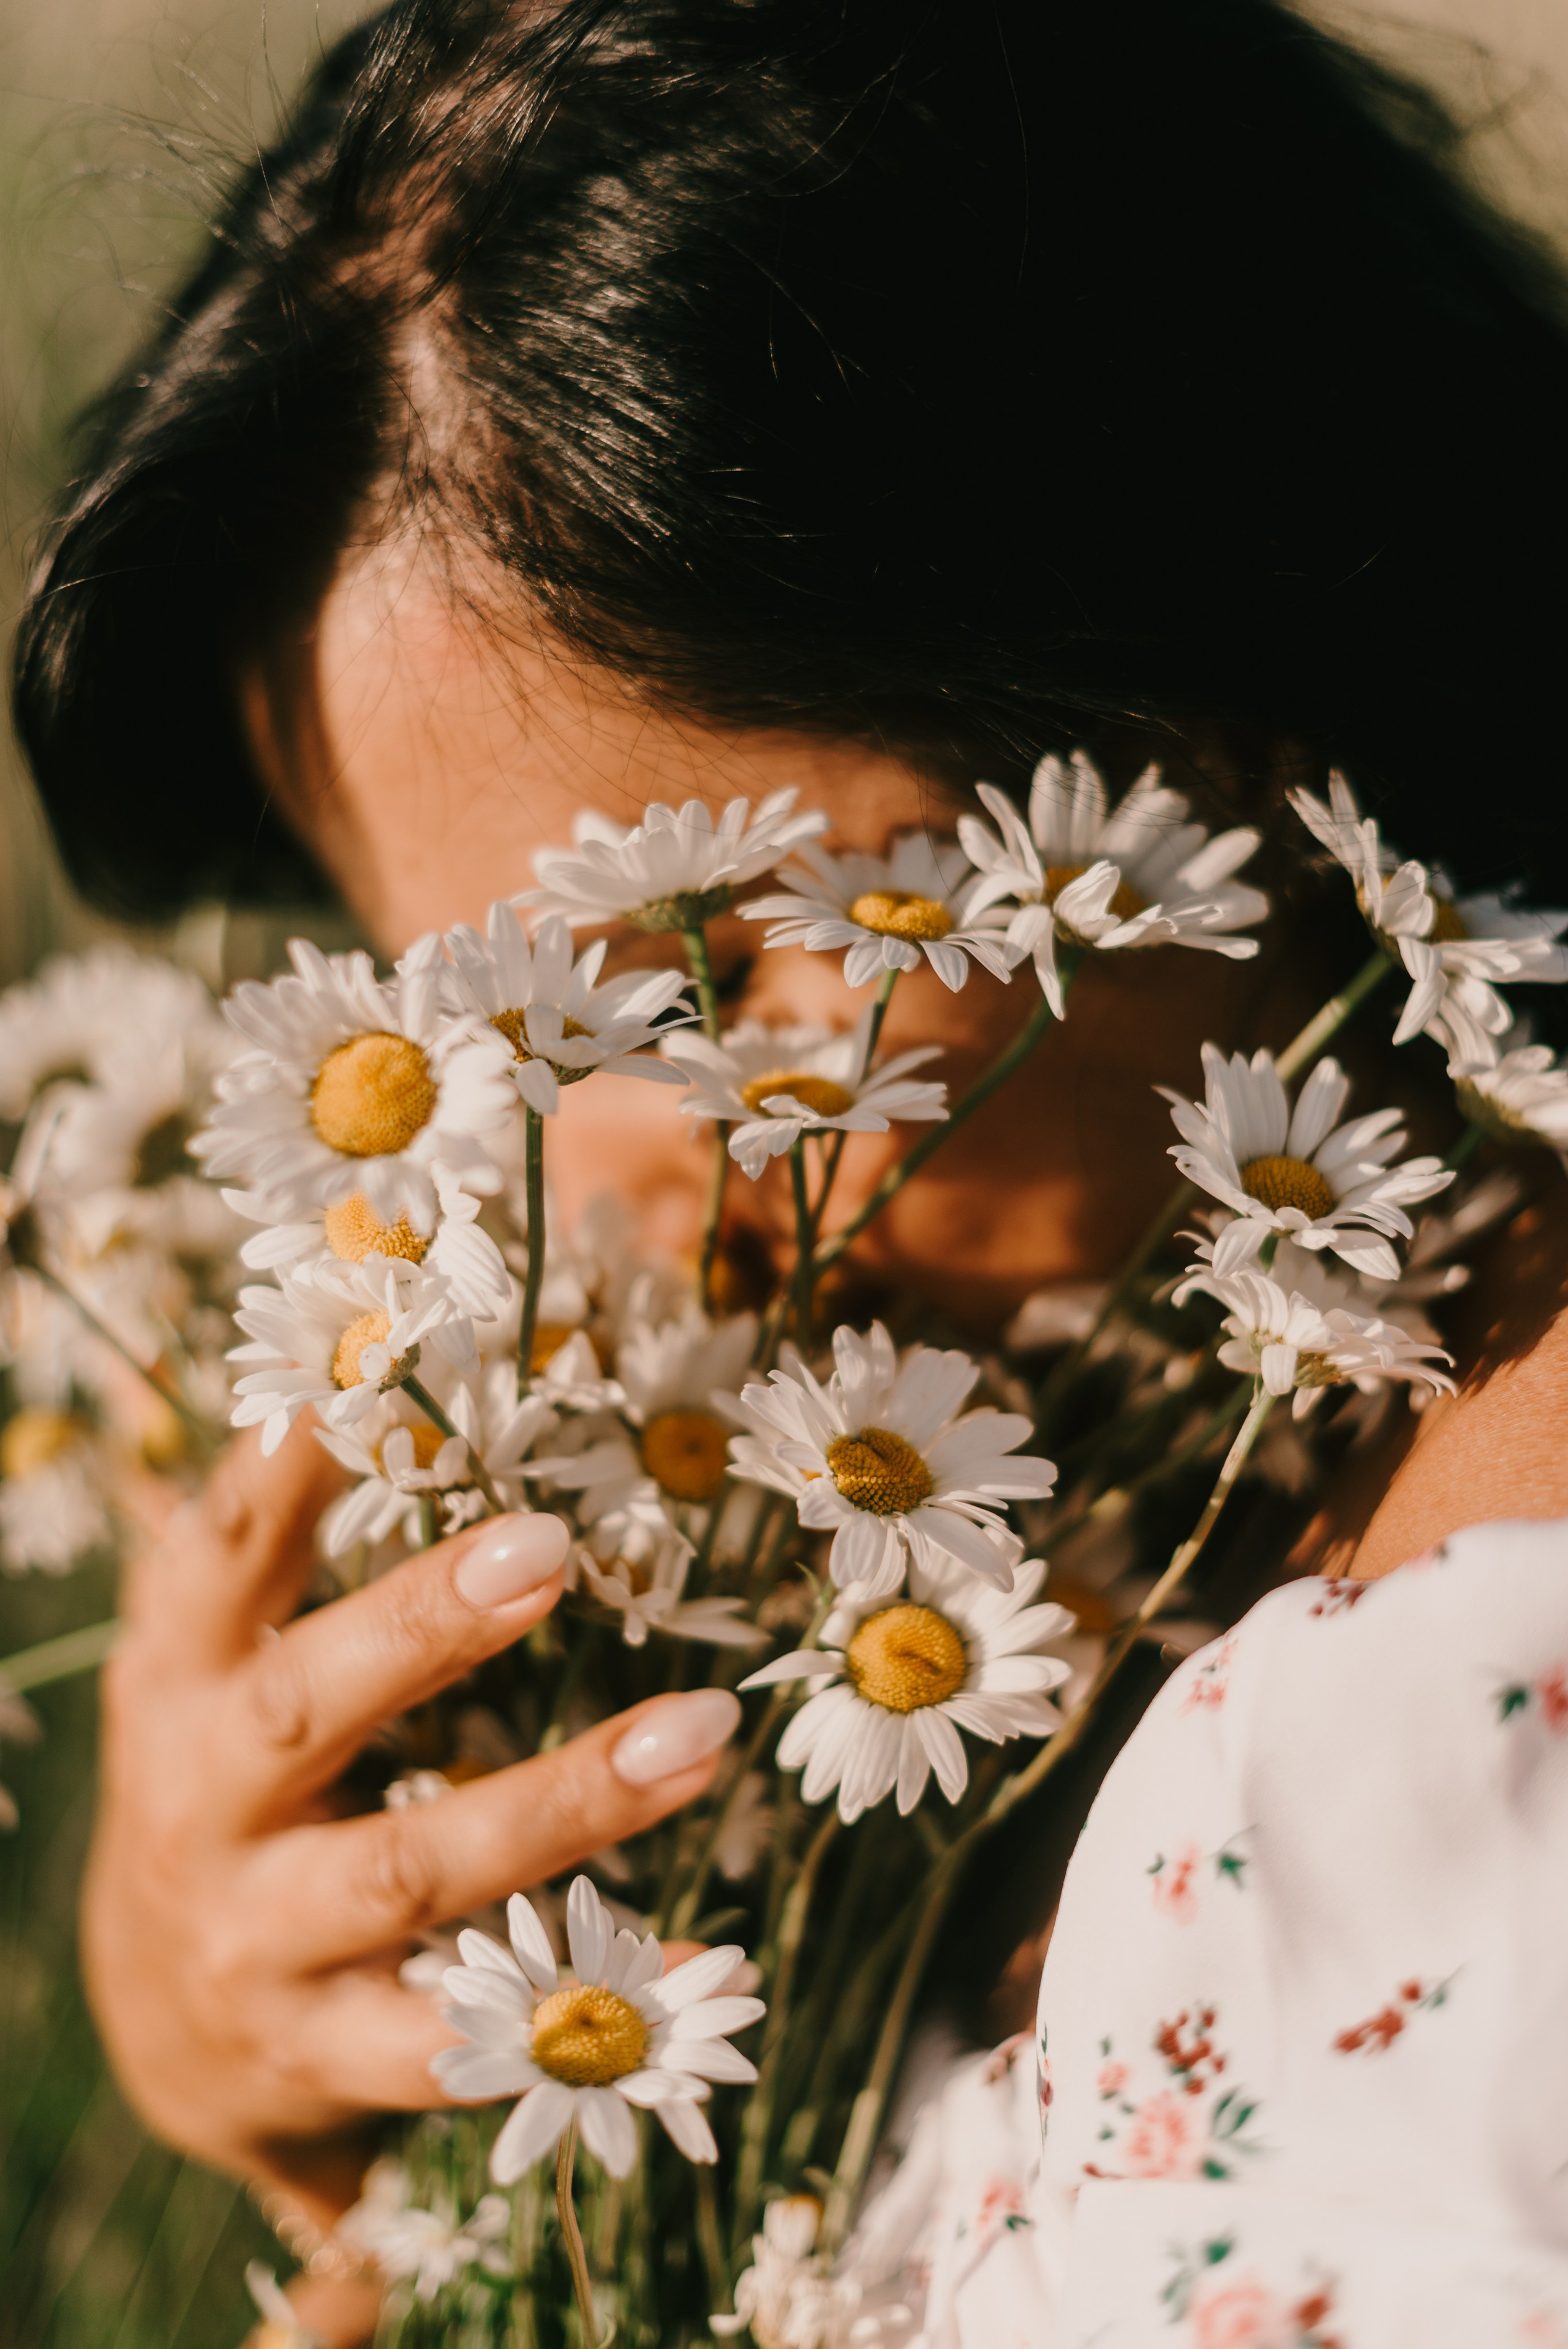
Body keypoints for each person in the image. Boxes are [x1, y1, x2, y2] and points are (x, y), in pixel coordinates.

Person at [13, 1, 1568, 2339]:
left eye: (724, 965)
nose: (645, 1191)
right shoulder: (1099, 1588)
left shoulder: (1437, 1731)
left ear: (1216, 648)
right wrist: (309, 2086)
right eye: (494, 1035)